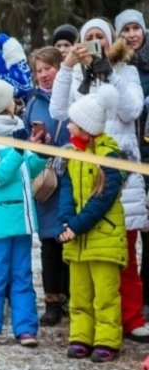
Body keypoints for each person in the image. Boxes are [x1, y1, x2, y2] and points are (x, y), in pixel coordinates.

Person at [49, 17, 149, 342]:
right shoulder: (76, 74)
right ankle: (92, 325)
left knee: (123, 254)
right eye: (89, 37)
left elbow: (131, 110)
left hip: (121, 174)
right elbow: (58, 112)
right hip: (83, 175)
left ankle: (130, 318)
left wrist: (109, 74)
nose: (95, 41)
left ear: (111, 41)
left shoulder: (126, 71)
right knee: (87, 256)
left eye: (100, 37)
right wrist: (66, 67)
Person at [0, 79, 47, 347]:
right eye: (12, 99)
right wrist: (17, 152)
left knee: (23, 274)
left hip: (22, 218)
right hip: (0, 221)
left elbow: (26, 173)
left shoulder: (17, 131)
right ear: (5, 105)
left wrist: (38, 153)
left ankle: (26, 328)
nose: (16, 103)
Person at [55, 84, 126, 362]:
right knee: (80, 292)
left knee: (105, 293)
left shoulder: (110, 156)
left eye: (73, 122)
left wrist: (77, 225)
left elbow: (102, 200)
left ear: (86, 127)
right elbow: (66, 192)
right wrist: (64, 222)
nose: (69, 126)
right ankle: (81, 336)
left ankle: (107, 340)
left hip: (103, 237)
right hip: (77, 238)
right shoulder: (73, 155)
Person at [22, 47, 71, 326]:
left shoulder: (74, 94)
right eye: (38, 70)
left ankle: (73, 298)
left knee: (71, 238)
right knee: (50, 243)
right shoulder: (33, 104)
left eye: (47, 68)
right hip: (47, 181)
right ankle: (53, 302)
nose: (43, 75)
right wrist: (35, 144)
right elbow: (26, 140)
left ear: (60, 68)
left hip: (72, 178)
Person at [115, 9, 149, 319]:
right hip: (130, 155)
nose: (131, 35)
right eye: (125, 29)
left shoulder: (142, 68)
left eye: (136, 27)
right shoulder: (116, 67)